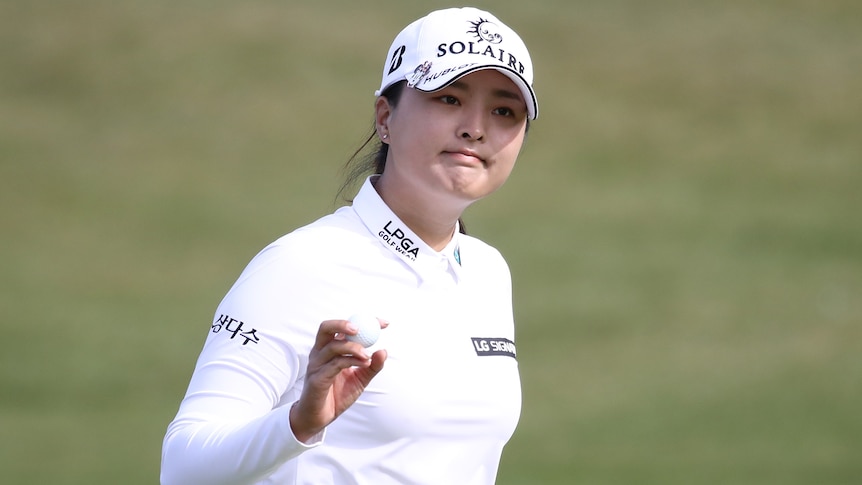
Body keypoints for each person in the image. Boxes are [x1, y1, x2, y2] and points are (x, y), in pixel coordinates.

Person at [160, 6, 539, 484]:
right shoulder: (299, 265)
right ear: (386, 116)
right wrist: (297, 423)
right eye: (448, 99)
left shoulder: (487, 272)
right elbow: (182, 467)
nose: (476, 128)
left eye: (504, 110)